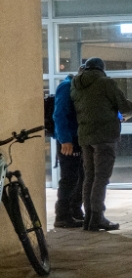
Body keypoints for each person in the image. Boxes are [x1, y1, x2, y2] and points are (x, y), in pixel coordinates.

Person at [71, 57, 132, 231]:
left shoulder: (76, 84)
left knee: (90, 177)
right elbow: (124, 107)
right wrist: (130, 108)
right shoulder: (105, 82)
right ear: (101, 68)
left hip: (85, 136)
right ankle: (97, 218)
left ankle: (89, 219)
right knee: (101, 178)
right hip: (104, 136)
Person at [52, 63, 86, 228]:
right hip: (68, 141)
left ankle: (75, 211)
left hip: (79, 139)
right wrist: (65, 140)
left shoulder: (80, 88)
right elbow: (59, 114)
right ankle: (62, 216)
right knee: (70, 178)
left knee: (81, 176)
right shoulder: (66, 86)